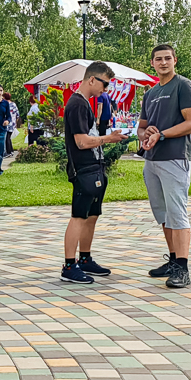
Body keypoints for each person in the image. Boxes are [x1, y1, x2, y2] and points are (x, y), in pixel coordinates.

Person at [138, 44, 191, 289]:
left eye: (167, 58)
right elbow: (142, 127)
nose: (163, 62)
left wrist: (162, 134)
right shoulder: (151, 93)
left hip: (174, 158)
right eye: (158, 59)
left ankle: (182, 269)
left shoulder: (183, 86)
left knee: (177, 213)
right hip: (152, 160)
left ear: (175, 60)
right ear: (152, 63)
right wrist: (147, 132)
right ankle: (173, 259)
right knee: (163, 214)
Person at [60, 63, 129, 284]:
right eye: (105, 84)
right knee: (79, 216)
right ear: (92, 80)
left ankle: (85, 259)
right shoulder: (77, 104)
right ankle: (69, 266)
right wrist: (108, 138)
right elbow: (81, 142)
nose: (106, 90)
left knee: (92, 215)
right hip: (83, 168)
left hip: (94, 167)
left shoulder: (85, 103)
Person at [4, 90, 19, 158]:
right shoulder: (14, 104)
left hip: (7, 123)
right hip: (12, 124)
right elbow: (17, 115)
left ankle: (9, 151)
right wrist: (15, 122)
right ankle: (11, 150)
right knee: (8, 137)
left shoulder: (5, 105)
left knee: (7, 138)